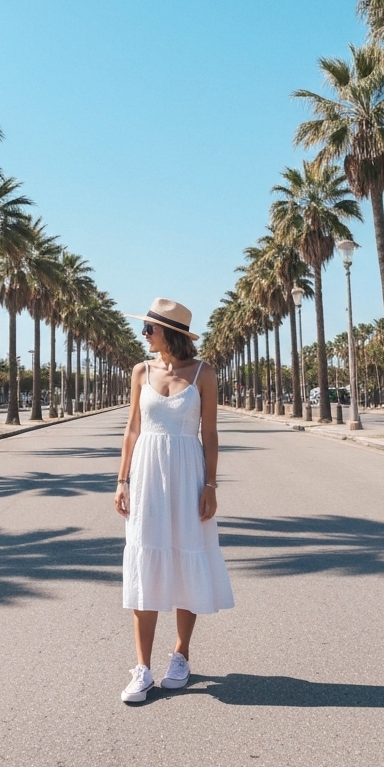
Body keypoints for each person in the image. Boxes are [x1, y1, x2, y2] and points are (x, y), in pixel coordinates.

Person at [114, 298, 234, 703]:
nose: (144, 334)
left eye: (149, 328)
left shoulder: (203, 373)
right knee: (145, 558)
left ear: (171, 334)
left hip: (188, 474)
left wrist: (211, 485)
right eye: (145, 328)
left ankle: (180, 655)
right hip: (147, 475)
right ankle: (142, 668)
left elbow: (211, 434)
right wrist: (122, 480)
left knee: (187, 556)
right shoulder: (140, 371)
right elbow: (132, 429)